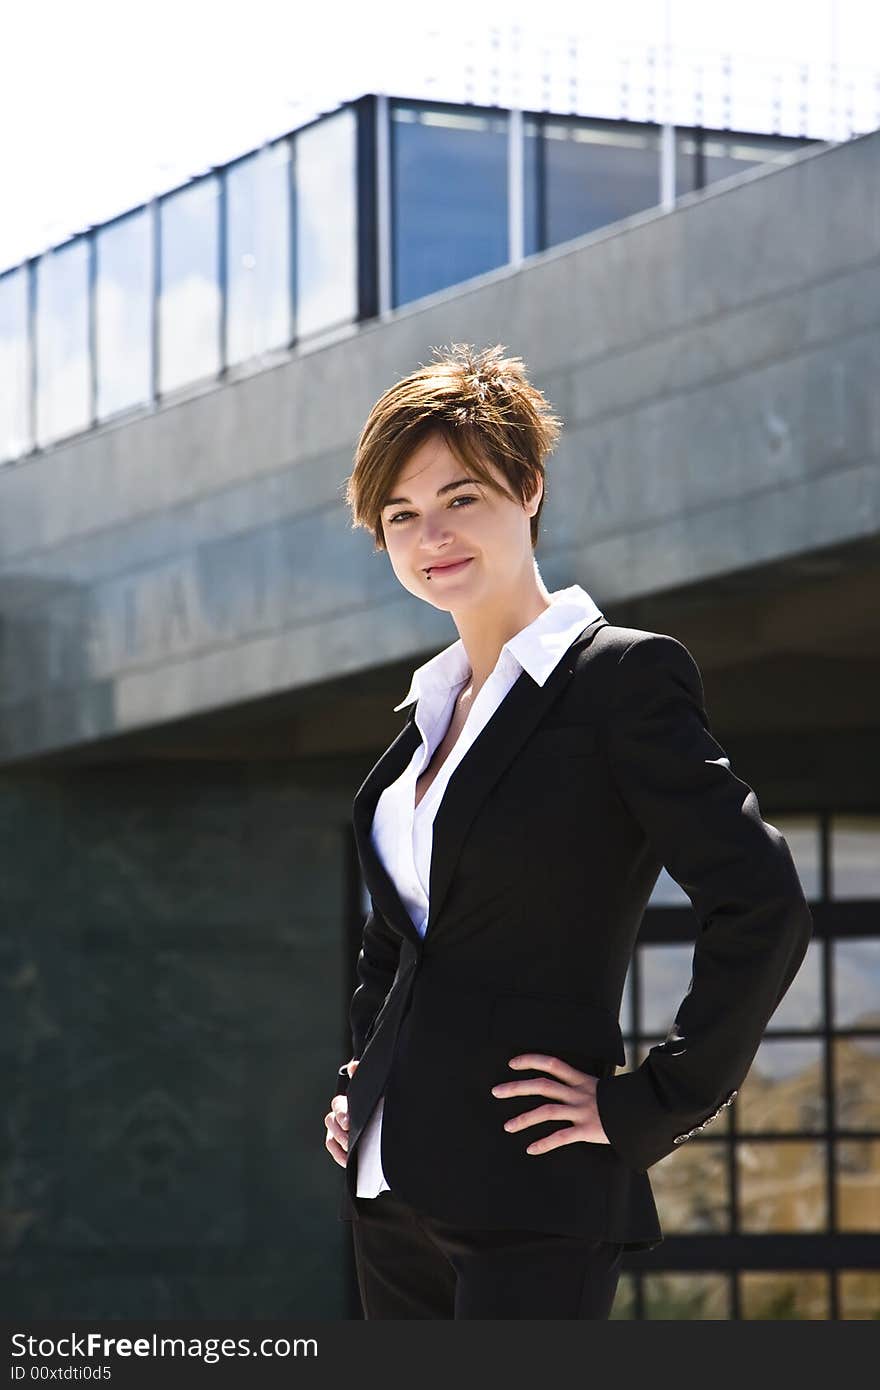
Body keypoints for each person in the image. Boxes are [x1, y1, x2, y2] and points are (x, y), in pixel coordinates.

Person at [323, 342, 813, 1320]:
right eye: (401, 516)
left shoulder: (617, 681)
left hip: (531, 1197)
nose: (433, 534)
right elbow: (400, 933)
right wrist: (360, 1076)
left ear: (529, 485)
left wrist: (653, 1100)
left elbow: (760, 902)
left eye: (460, 497)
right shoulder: (423, 717)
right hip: (388, 1191)